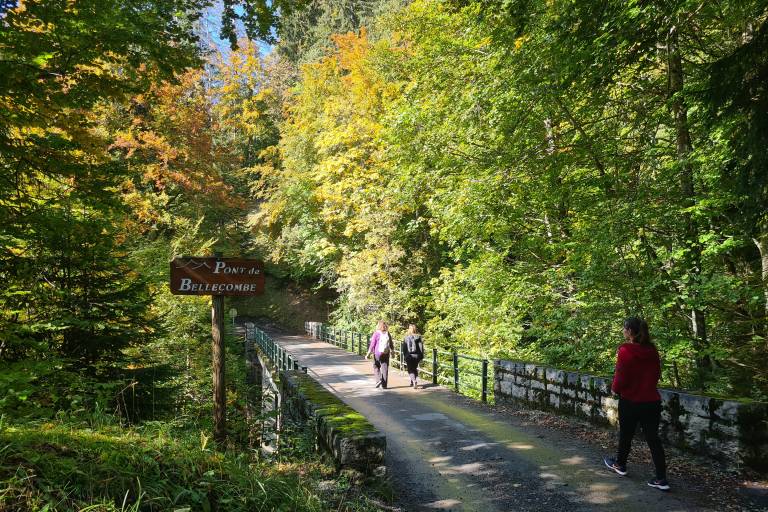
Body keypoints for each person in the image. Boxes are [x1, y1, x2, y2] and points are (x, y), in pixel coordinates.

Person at [603, 317, 669, 491]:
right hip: (651, 401)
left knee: (626, 435)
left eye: (624, 328)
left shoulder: (625, 349)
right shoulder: (652, 349)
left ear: (630, 331)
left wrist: (615, 389)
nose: (623, 331)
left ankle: (620, 465)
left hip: (631, 400)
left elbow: (621, 373)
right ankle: (661, 478)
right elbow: (656, 373)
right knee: (653, 439)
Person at [366, 320, 394, 389]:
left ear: (378, 326)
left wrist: (368, 354)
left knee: (376, 366)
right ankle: (384, 385)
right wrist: (393, 353)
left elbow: (372, 344)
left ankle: (378, 380)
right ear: (385, 326)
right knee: (385, 368)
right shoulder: (387, 333)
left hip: (377, 353)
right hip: (386, 353)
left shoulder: (376, 333)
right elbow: (391, 344)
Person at [402, 324, 425, 389]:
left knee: (410, 369)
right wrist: (421, 356)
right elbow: (421, 348)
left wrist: (405, 356)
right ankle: (412, 381)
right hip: (417, 356)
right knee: (414, 368)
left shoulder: (406, 337)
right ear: (415, 329)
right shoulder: (418, 337)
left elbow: (404, 348)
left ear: (409, 329)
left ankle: (414, 381)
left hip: (409, 355)